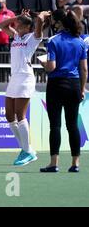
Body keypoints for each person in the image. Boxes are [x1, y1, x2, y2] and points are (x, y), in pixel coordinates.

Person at [39, 9, 88, 173]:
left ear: (60, 23)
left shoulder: (53, 41)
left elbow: (51, 67)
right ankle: (75, 164)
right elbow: (84, 69)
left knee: (55, 126)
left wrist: (42, 64)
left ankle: (54, 163)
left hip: (56, 85)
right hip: (74, 85)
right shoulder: (80, 41)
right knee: (72, 125)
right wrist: (82, 89)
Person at [0, 9, 49, 166]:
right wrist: (17, 16)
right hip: (14, 78)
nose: (16, 24)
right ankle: (26, 148)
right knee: (9, 116)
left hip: (25, 79)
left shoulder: (32, 38)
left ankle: (27, 152)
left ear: (27, 27)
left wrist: (38, 18)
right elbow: (1, 25)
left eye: (20, 23)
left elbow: (39, 26)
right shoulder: (15, 36)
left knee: (20, 115)